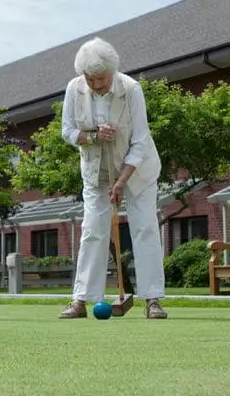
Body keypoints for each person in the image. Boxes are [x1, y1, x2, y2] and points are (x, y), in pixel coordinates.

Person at [58, 37, 168, 320]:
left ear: (113, 71)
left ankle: (152, 299)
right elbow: (68, 131)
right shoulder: (74, 89)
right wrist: (93, 136)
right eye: (90, 78)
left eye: (101, 78)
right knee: (93, 229)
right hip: (97, 172)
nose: (96, 84)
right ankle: (81, 299)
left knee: (144, 228)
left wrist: (122, 182)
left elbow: (141, 141)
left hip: (137, 172)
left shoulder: (131, 89)